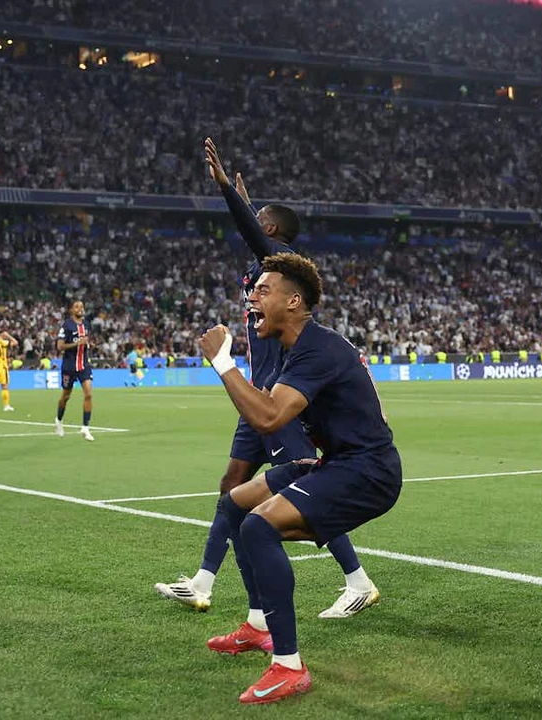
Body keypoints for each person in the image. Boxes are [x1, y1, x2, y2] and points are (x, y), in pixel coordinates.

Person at [155, 138, 379, 619]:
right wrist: (245, 201)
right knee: (232, 485)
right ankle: (202, 582)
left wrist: (225, 190)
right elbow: (254, 234)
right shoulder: (265, 271)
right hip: (254, 397)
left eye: (258, 220)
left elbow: (253, 232)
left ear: (271, 231)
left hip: (278, 398)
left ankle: (357, 581)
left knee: (299, 488)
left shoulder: (277, 263)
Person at [199, 252, 403, 704]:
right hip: (339, 461)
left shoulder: (317, 349)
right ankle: (258, 625)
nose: (252, 297)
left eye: (263, 290)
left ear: (293, 301)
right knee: (236, 502)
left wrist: (223, 363)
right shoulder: (300, 350)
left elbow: (269, 417)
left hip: (368, 471)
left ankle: (289, 666)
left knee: (259, 526)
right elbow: (268, 411)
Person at [55, 300, 95, 441]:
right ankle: (59, 420)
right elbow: (60, 346)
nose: (80, 309)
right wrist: (77, 343)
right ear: (71, 310)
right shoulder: (66, 326)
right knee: (66, 396)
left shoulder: (87, 325)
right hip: (69, 366)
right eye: (77, 307)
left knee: (88, 394)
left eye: (82, 306)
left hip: (83, 365)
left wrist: (89, 344)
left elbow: (85, 341)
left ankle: (85, 427)